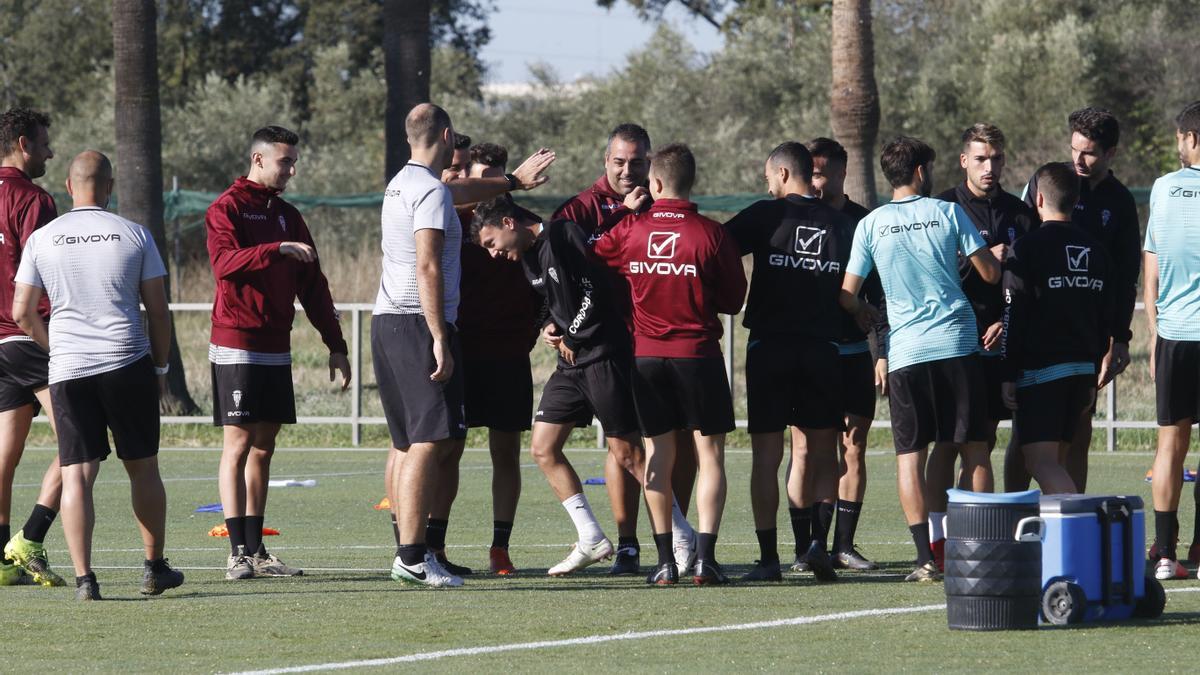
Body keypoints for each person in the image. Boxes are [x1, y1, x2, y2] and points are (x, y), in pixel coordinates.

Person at [470, 193, 698, 579]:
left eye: (492, 244)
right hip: (570, 365)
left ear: (509, 224)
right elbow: (550, 300)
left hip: (603, 357)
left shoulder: (563, 235)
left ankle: (682, 534)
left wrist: (574, 335)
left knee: (628, 455)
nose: (493, 254)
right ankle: (591, 537)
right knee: (542, 448)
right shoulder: (527, 256)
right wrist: (549, 325)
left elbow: (597, 290)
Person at [377, 103, 553, 588]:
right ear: (449, 136)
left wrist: (511, 184)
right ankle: (414, 556)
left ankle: (412, 551)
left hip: (387, 321)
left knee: (408, 442)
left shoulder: (402, 184)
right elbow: (429, 267)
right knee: (429, 442)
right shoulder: (431, 192)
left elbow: (460, 190)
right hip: (419, 323)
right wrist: (439, 335)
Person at [12, 150, 184, 600]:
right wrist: (161, 366)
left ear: (68, 187)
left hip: (69, 369)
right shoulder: (134, 234)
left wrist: (58, 349)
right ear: (109, 187)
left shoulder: (43, 238)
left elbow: (22, 313)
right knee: (142, 468)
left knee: (77, 473)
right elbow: (159, 313)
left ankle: (86, 578)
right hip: (127, 362)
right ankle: (153, 566)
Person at [840, 136, 1000, 582]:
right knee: (975, 449)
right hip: (957, 345)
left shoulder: (871, 224)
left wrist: (866, 314)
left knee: (910, 456)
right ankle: (980, 547)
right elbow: (989, 272)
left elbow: (847, 294)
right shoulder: (948, 212)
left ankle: (925, 559)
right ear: (919, 172)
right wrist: (989, 258)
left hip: (907, 354)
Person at [594, 143, 746, 585]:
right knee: (710, 455)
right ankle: (706, 560)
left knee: (658, 454)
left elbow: (597, 253)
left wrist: (624, 214)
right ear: (690, 181)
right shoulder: (712, 234)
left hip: (646, 356)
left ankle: (664, 562)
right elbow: (735, 300)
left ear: (654, 182)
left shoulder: (631, 229)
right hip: (697, 355)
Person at [206, 126, 352, 580]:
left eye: (294, 162)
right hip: (237, 342)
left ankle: (257, 551)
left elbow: (314, 285)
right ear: (258, 159)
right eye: (284, 161)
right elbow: (224, 264)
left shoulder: (289, 215)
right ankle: (235, 554)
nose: (290, 169)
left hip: (276, 344)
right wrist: (275, 250)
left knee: (264, 449)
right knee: (238, 444)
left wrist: (336, 344)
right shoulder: (225, 208)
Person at [552, 123, 698, 576]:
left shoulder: (665, 204)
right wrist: (551, 324)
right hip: (602, 345)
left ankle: (676, 536)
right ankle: (630, 543)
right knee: (621, 446)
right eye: (619, 161)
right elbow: (557, 267)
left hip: (660, 340)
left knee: (675, 442)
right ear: (605, 161)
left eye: (637, 162)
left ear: (651, 164)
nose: (628, 170)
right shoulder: (579, 209)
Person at [723, 141, 853, 583]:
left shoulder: (766, 215)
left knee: (767, 456)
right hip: (823, 350)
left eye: (767, 176)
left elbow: (713, 247)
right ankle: (817, 544)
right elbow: (856, 286)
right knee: (822, 454)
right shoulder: (841, 224)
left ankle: (768, 560)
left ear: (781, 174)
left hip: (770, 349)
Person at [1021, 107, 1140, 492]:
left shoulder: (1119, 202)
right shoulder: (1049, 183)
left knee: (1079, 429)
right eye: (1074, 149)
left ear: (1111, 154)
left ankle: (1073, 526)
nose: (1078, 159)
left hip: (1086, 334)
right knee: (1029, 434)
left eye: (1088, 152)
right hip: (1038, 333)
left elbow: (1125, 276)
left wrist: (1118, 337)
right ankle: (1013, 522)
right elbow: (1020, 249)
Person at [931, 124, 1034, 564]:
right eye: (980, 159)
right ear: (963, 161)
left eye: (995, 159)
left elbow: (1031, 282)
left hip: (1006, 342)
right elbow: (932, 273)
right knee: (953, 441)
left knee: (993, 439)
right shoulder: (941, 207)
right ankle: (941, 539)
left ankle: (990, 531)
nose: (989, 167)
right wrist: (979, 259)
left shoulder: (1021, 212)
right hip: (955, 340)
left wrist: (1007, 325)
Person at [449, 141, 540, 575]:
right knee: (448, 450)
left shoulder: (527, 229)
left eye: (501, 178)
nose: (494, 187)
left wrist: (543, 325)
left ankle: (500, 548)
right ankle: (432, 545)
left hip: (508, 357)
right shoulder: (454, 224)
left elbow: (550, 286)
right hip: (462, 355)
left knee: (506, 453)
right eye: (484, 178)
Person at [1000, 162, 1110, 497]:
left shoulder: (1028, 248)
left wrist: (1008, 372)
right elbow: (1103, 314)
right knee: (1058, 460)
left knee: (1040, 462)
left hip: (1042, 372)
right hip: (1081, 371)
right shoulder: (1096, 250)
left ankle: (1081, 530)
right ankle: (1061, 548)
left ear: (1039, 199)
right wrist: (1093, 370)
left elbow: (1013, 313)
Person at [804, 137, 883, 571]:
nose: (815, 182)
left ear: (841, 173)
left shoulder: (863, 222)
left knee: (854, 447)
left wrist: (882, 352)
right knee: (813, 451)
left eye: (822, 173)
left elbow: (877, 296)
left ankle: (844, 545)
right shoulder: (800, 218)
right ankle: (811, 545)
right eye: (810, 172)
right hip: (811, 354)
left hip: (854, 353)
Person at [0, 108, 66, 587]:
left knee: (7, 449)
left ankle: (1, 560)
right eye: (44, 143)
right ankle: (30, 537)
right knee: (81, 439)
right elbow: (45, 275)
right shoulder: (33, 199)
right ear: (23, 144)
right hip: (30, 334)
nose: (50, 151)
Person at [1145, 100, 1200, 580]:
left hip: (1175, 333)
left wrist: (1153, 332)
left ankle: (1165, 552)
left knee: (1170, 447)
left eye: (1180, 138)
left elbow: (1153, 262)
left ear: (1191, 138)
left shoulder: (1163, 189)